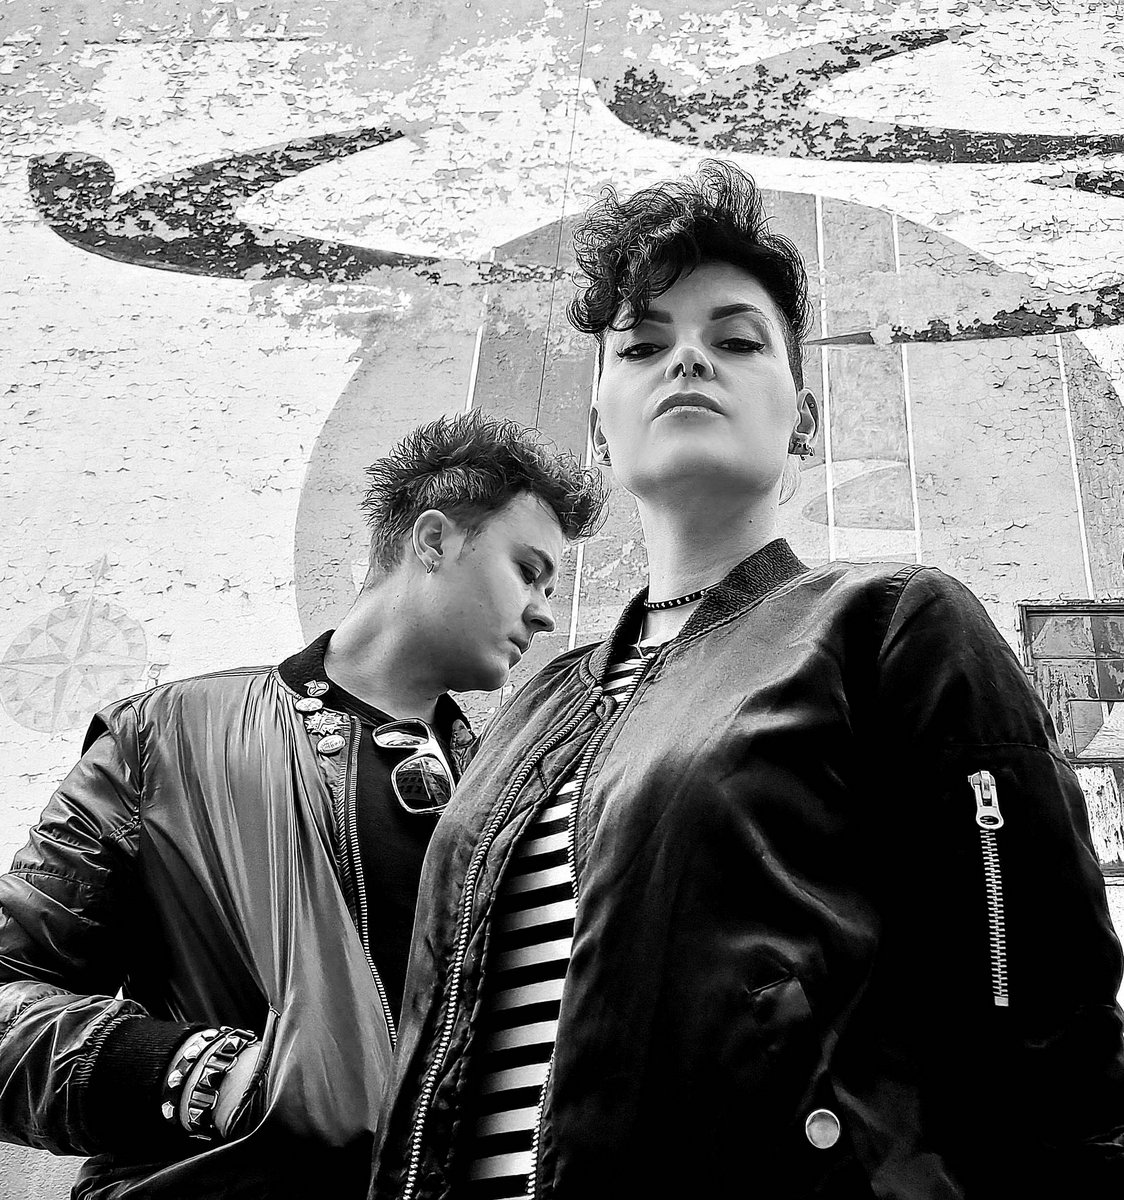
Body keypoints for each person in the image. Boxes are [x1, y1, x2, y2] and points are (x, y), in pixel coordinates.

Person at [371, 162, 1124, 1200]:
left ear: (802, 420)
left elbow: (1046, 1032)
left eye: (735, 340)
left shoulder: (886, 625)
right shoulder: (529, 711)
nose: (687, 358)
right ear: (599, 428)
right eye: (643, 346)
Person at [0, 412, 605, 1199]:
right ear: (433, 540)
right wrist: (204, 1076)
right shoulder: (167, 736)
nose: (545, 612)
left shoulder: (509, 795)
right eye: (528, 571)